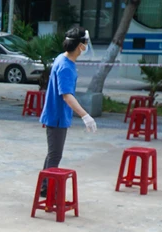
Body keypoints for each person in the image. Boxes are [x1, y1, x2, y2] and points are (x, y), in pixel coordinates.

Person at [39, 26, 97, 194]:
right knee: (55, 155)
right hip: (57, 116)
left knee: (52, 153)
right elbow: (67, 96)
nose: (87, 46)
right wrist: (85, 116)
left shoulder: (61, 58)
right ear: (80, 46)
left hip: (55, 113)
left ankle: (45, 186)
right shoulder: (66, 67)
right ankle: (47, 189)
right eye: (86, 43)